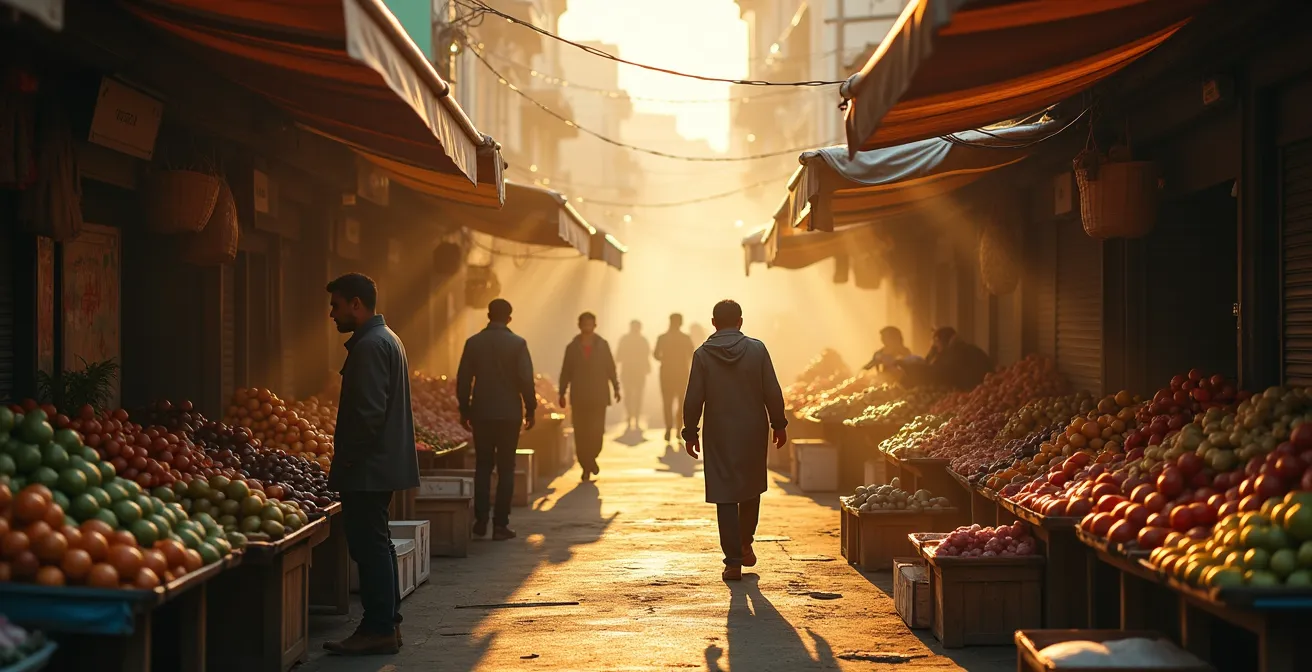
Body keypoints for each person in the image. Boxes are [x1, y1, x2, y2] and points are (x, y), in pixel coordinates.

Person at [322, 273, 418, 656]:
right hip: (378, 464)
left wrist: (344, 459)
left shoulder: (370, 346)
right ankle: (384, 625)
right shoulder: (385, 339)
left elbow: (367, 415)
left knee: (369, 545)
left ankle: (378, 627)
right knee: (377, 544)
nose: (332, 314)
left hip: (368, 467)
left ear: (356, 304)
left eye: (337, 305)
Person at [682, 300, 788, 582]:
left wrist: (690, 431)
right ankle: (745, 542)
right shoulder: (757, 349)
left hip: (718, 431)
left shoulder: (703, 354)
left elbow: (694, 397)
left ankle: (733, 562)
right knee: (751, 486)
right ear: (740, 321)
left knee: (724, 492)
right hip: (753, 429)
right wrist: (779, 423)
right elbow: (772, 390)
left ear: (714, 323)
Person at [456, 298, 537, 541]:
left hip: (482, 412)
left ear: (488, 315)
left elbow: (463, 380)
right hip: (509, 414)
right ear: (509, 318)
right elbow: (525, 379)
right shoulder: (518, 344)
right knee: (506, 468)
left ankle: (481, 519)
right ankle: (500, 525)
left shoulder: (473, 343)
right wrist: (530, 409)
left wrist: (465, 408)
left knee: (482, 465)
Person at [559, 312, 620, 481]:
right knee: (581, 432)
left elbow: (611, 368)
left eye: (590, 324)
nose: (587, 327)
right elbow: (566, 371)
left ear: (595, 325)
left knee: (597, 431)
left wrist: (616, 387)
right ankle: (585, 465)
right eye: (584, 324)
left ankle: (592, 457)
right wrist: (562, 392)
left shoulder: (602, 345)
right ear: (579, 325)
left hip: (599, 395)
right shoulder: (572, 347)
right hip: (579, 396)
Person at [652, 313, 695, 443]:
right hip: (682, 374)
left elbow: (655, 354)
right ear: (681, 323)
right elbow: (692, 354)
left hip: (666, 374)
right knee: (681, 403)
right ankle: (678, 428)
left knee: (667, 403)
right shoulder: (685, 338)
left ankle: (669, 428)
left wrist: (665, 360)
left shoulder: (662, 338)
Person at [926, 326, 994, 390]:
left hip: (967, 391)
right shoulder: (971, 349)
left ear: (942, 341)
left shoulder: (952, 354)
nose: (935, 345)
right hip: (983, 389)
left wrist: (934, 350)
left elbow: (935, 371)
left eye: (936, 342)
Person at [615, 320, 651, 431]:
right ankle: (633, 418)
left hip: (631, 372)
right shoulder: (642, 340)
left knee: (631, 396)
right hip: (634, 372)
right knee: (634, 396)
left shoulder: (626, 340)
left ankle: (632, 417)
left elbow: (618, 356)